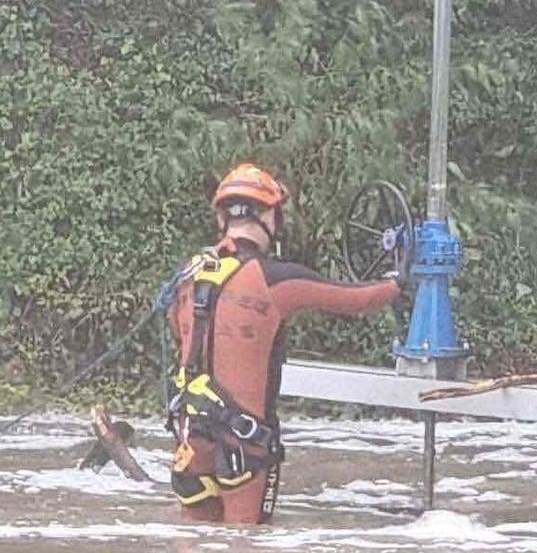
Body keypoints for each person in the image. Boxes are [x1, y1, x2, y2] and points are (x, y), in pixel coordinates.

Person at [158, 163, 403, 524]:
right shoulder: (273, 281)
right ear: (269, 215)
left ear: (222, 217)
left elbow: (181, 337)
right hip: (243, 445)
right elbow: (360, 300)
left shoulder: (188, 277)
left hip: (189, 437)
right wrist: (403, 280)